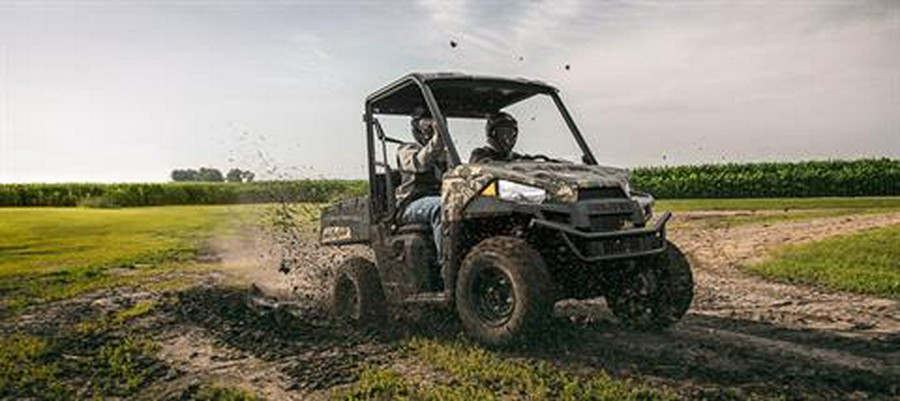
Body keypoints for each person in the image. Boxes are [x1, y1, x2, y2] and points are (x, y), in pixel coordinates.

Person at [396, 111, 446, 259]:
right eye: (426, 124)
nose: (430, 128)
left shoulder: (445, 153)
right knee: (441, 208)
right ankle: (447, 265)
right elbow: (421, 163)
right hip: (410, 203)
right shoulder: (406, 149)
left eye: (435, 123)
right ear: (416, 127)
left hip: (440, 197)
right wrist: (437, 140)